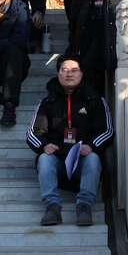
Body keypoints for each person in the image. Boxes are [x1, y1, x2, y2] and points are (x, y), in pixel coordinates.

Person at [26, 55, 113, 226]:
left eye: (74, 70)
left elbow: (107, 131)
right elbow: (33, 134)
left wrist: (91, 146)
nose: (69, 74)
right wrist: (44, 146)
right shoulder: (48, 102)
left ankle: (84, 206)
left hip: (83, 162)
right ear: (58, 74)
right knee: (44, 159)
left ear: (81, 74)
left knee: (93, 158)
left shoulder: (95, 100)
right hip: (58, 162)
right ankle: (52, 207)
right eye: (64, 70)